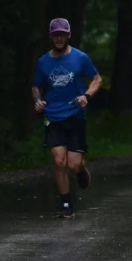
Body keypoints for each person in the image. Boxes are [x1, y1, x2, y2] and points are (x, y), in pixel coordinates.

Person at [33, 18, 103, 218]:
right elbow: (36, 87)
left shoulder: (80, 58)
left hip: (75, 115)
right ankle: (66, 203)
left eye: (62, 34)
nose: (59, 38)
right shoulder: (43, 62)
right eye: (55, 34)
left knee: (73, 164)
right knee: (59, 161)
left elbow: (97, 79)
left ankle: (81, 170)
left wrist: (87, 95)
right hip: (53, 116)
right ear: (51, 37)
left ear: (69, 35)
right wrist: (37, 101)